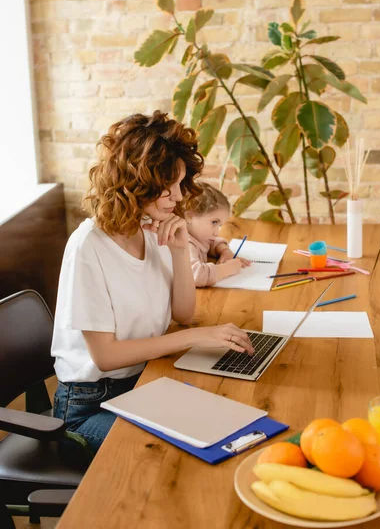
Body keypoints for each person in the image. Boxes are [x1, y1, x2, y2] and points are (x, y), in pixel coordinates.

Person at [51, 111, 254, 454]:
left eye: (179, 184)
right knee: (180, 452)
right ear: (137, 182)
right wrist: (195, 337)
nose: (178, 198)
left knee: (227, 422)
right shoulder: (88, 246)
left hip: (143, 382)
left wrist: (178, 251)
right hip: (88, 407)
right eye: (168, 186)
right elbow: (105, 355)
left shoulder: (152, 228)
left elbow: (184, 313)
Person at [185, 182, 251, 287]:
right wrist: (228, 268)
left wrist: (225, 251)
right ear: (189, 216)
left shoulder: (199, 237)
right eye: (214, 222)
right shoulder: (185, 243)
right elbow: (194, 275)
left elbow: (212, 243)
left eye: (220, 225)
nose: (217, 232)